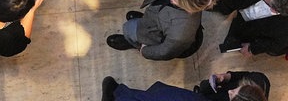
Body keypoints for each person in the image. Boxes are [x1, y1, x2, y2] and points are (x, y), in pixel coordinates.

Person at [106, 0, 214, 60]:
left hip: (166, 39)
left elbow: (164, 52)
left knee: (129, 29)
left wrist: (145, 51)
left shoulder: (180, 33)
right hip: (162, 21)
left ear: (188, 9)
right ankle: (147, 20)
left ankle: (133, 43)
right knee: (147, 19)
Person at [101, 73, 269, 101]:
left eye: (233, 94)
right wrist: (228, 76)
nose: (230, 91)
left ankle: (118, 94)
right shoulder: (261, 81)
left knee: (162, 96)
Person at [197, 71, 270, 101]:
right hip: (214, 90)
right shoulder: (260, 79)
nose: (230, 91)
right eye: (236, 89)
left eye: (232, 96)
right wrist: (227, 77)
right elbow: (240, 75)